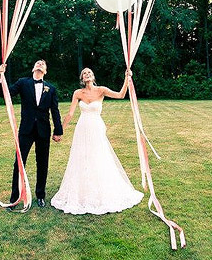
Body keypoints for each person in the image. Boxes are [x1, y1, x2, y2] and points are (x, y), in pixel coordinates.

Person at [51, 67, 143, 215]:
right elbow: (70, 113)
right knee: (81, 157)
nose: (87, 74)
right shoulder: (78, 93)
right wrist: (59, 131)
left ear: (93, 76)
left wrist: (127, 78)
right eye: (84, 73)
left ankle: (101, 189)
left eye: (89, 73)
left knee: (98, 156)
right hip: (82, 128)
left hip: (96, 127)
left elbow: (120, 95)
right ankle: (81, 191)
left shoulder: (101, 90)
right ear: (82, 78)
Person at [0, 59, 63, 209]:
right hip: (26, 130)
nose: (40, 64)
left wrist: (58, 130)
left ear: (45, 71)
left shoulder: (51, 89)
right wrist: (1, 76)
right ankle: (15, 198)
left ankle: (40, 195)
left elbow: (55, 111)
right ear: (33, 68)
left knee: (42, 163)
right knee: (19, 163)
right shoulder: (23, 82)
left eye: (43, 64)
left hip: (43, 131)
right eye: (38, 63)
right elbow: (5, 94)